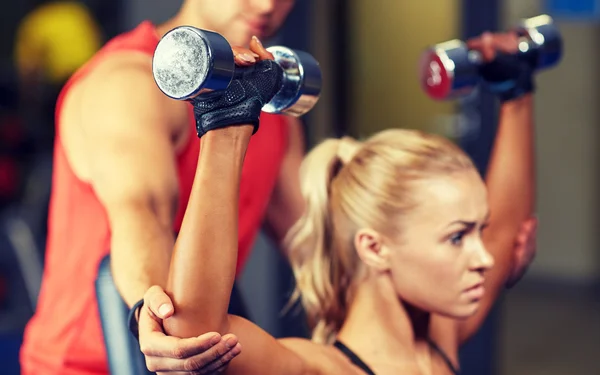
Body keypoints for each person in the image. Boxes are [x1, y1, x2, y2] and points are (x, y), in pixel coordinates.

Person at [156, 31, 539, 374]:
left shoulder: (438, 342)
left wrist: (515, 92)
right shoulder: (318, 369)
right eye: (457, 238)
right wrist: (227, 122)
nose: (485, 259)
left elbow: (504, 230)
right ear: (374, 247)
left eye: (478, 231)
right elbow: (194, 333)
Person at [19, 1, 305, 374]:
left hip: (199, 359)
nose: (267, 4)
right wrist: (156, 315)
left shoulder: (270, 110)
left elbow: (315, 245)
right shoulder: (127, 83)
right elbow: (147, 217)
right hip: (82, 365)